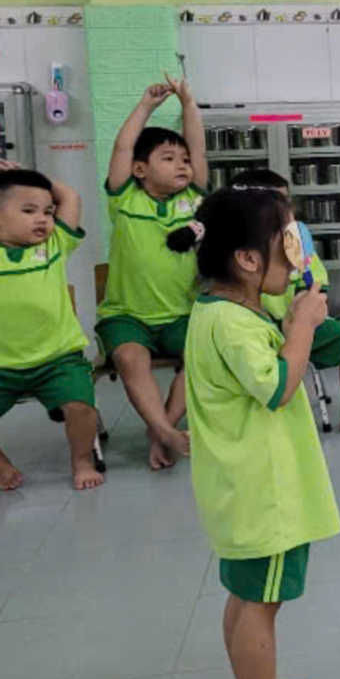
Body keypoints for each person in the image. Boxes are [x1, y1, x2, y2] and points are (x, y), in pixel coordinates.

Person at [168, 188, 340, 679]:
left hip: (240, 486)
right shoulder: (233, 325)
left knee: (245, 596)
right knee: (261, 604)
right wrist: (303, 327)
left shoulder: (223, 309)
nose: (296, 253)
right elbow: (277, 387)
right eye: (286, 242)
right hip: (263, 493)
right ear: (247, 259)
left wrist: (294, 314)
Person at [0, 162, 105, 491]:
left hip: (58, 360)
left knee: (82, 406)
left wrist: (32, 175)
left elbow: (70, 198)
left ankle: (82, 461)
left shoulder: (54, 245)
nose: (42, 219)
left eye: (47, 211)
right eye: (29, 210)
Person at [96, 76, 207, 469]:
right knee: (130, 359)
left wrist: (189, 104)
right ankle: (164, 431)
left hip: (182, 315)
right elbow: (122, 147)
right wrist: (145, 106)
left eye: (185, 160)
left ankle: (162, 430)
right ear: (140, 169)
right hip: (126, 316)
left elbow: (198, 146)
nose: (183, 164)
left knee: (203, 355)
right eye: (169, 158)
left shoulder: (194, 200)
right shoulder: (124, 198)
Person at [228, 169, 340, 435]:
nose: (286, 215)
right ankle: (164, 429)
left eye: (286, 203)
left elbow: (315, 281)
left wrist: (306, 303)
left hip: (298, 322)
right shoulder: (239, 259)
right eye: (276, 207)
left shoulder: (297, 242)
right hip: (262, 328)